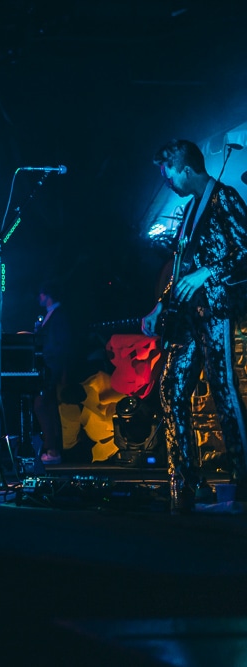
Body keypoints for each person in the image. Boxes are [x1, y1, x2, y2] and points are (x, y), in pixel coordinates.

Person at [141, 139, 247, 512]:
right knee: (170, 389)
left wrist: (208, 272)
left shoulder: (224, 198)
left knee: (224, 392)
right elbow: (181, 267)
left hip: (216, 310)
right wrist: (160, 303)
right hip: (186, 317)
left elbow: (245, 250)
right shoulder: (189, 210)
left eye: (168, 172)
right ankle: (186, 481)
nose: (166, 180)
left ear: (185, 168)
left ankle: (244, 478)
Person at [33, 280, 85, 465]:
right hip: (51, 367)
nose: (38, 297)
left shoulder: (59, 315)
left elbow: (63, 345)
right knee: (49, 407)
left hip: (54, 367)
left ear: (48, 295)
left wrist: (63, 371)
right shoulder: (51, 314)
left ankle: (53, 449)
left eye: (41, 294)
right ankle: (54, 450)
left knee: (42, 405)